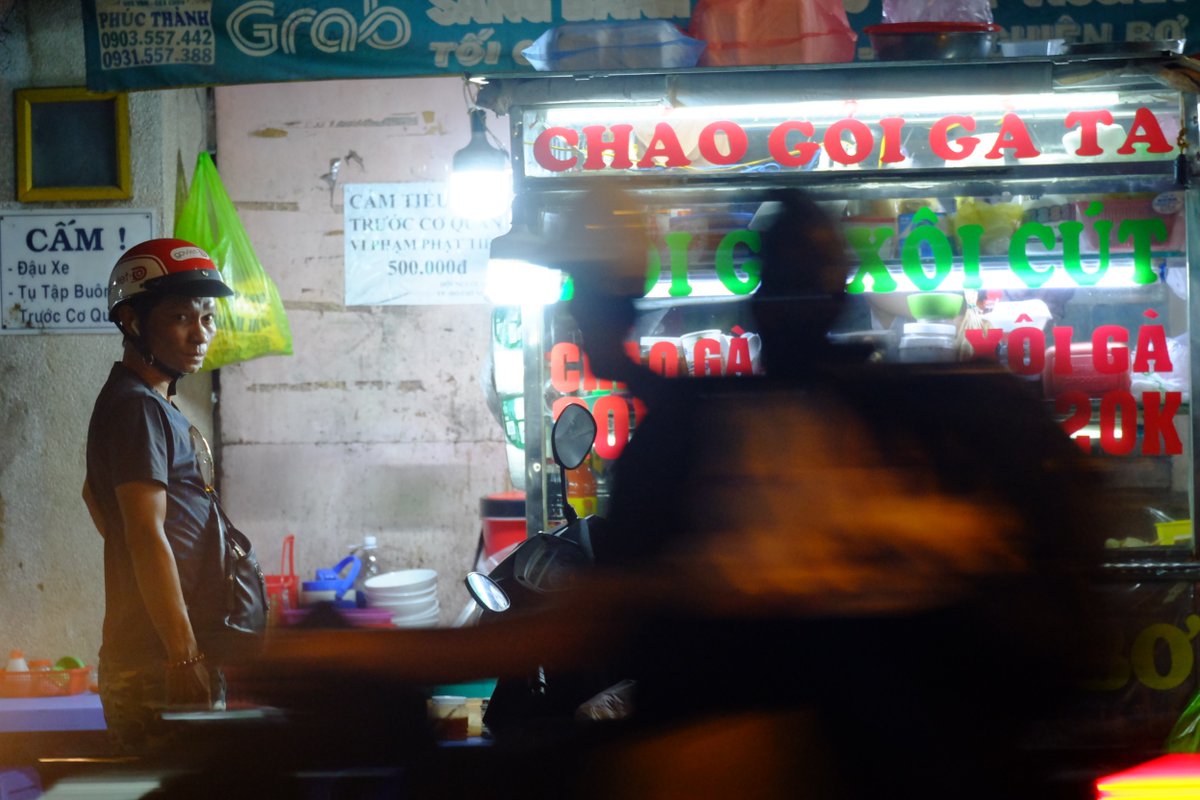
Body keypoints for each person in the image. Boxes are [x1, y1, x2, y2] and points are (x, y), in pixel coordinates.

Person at [82, 238, 236, 752]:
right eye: (179, 317)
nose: (200, 334)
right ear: (132, 321)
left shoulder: (149, 403)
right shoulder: (137, 407)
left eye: (208, 317)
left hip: (164, 653)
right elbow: (146, 533)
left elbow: (94, 497)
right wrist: (183, 653)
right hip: (159, 662)